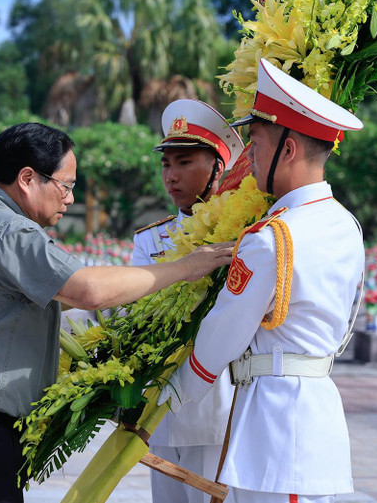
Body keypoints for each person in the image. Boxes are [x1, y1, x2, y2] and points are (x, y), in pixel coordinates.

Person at [0, 122, 235, 503]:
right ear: (28, 178)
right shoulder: (8, 230)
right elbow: (88, 291)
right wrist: (188, 267)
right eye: (66, 185)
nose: (70, 200)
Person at [160, 58, 365, 503]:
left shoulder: (272, 238)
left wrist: (170, 395)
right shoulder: (346, 224)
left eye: (255, 143)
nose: (247, 157)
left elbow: (221, 335)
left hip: (276, 423)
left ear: (288, 150)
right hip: (316, 411)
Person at [132, 99, 244, 503]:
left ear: (218, 167)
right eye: (166, 164)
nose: (171, 175)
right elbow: (138, 315)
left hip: (215, 402)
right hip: (159, 404)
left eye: (184, 163)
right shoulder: (150, 240)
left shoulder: (243, 235)